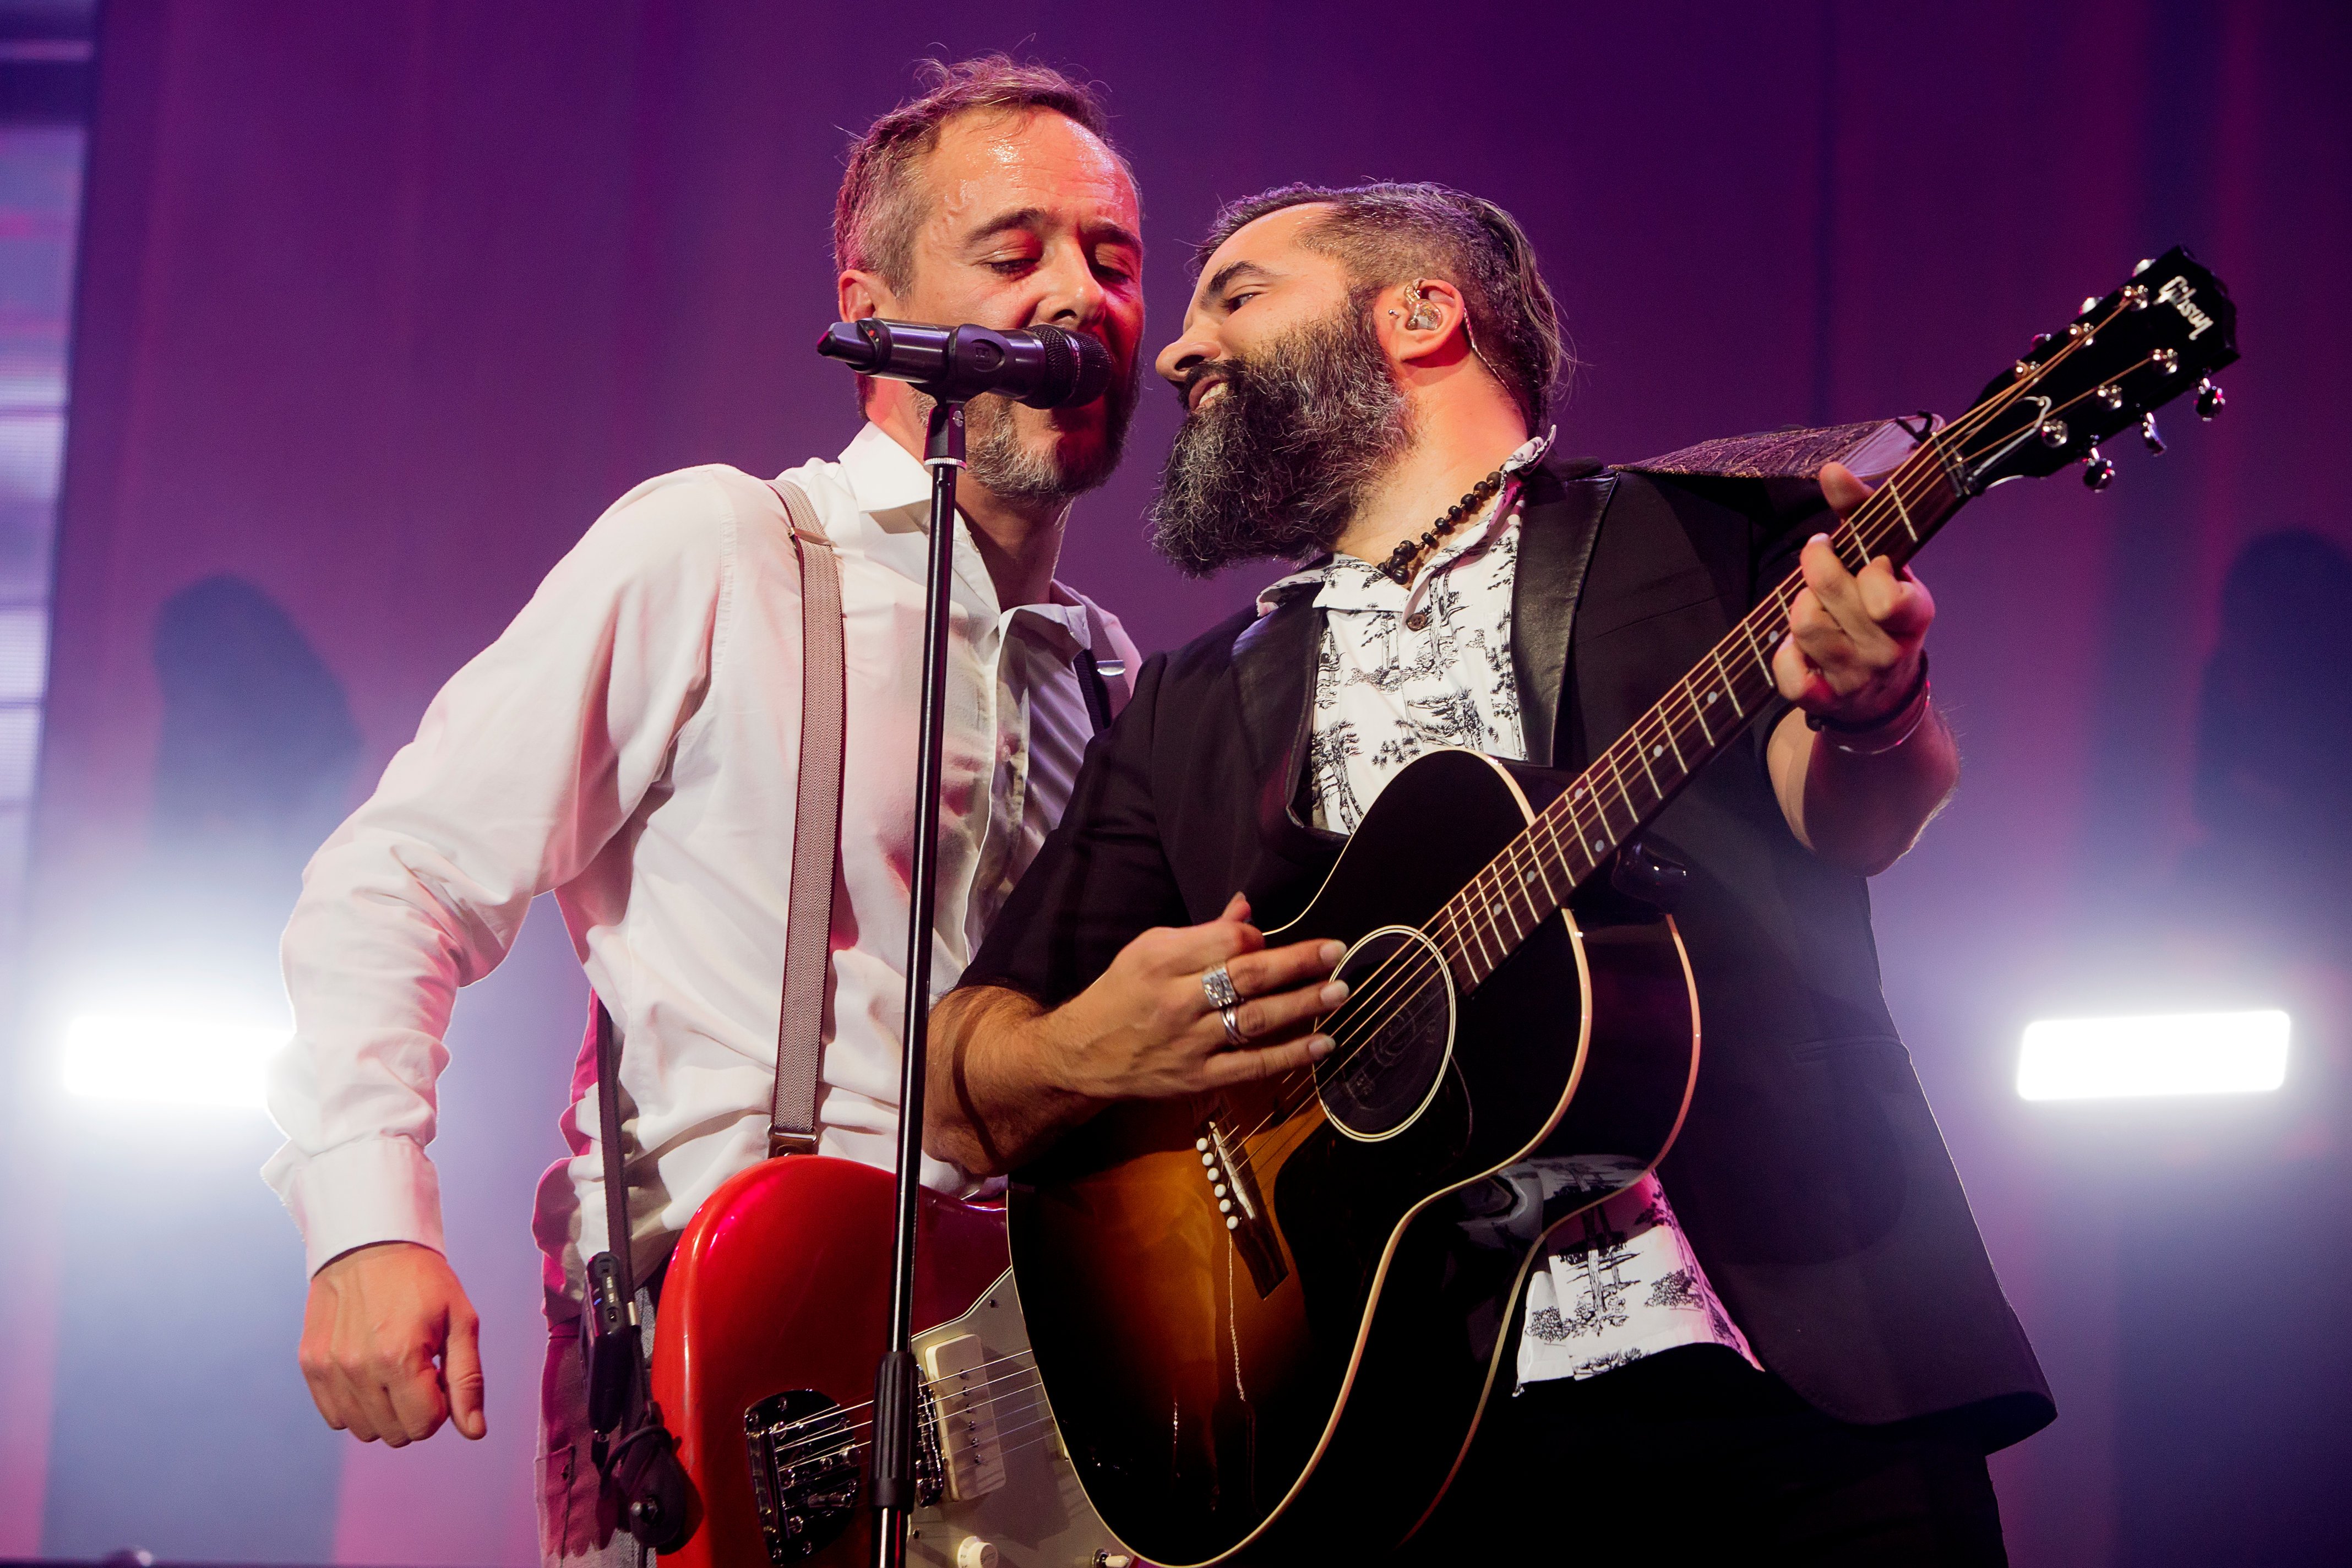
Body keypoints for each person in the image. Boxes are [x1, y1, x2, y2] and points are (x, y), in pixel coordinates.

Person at [927, 182, 2051, 1562]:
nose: (1173, 347)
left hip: (1789, 1392)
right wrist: (1099, 1048)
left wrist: (1876, 711)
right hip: (1406, 1442)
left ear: (1420, 313)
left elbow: (1852, 821)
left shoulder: (1700, 529)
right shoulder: (1186, 706)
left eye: (1239, 292)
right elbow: (960, 1081)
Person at [264, 57, 1146, 1565]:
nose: (1080, 295)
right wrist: (366, 1220)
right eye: (1016, 254)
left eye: (1115, 258)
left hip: (1021, 1409)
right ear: (872, 306)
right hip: (731, 1376)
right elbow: (398, 877)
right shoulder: (724, 547)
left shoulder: (1110, 675)